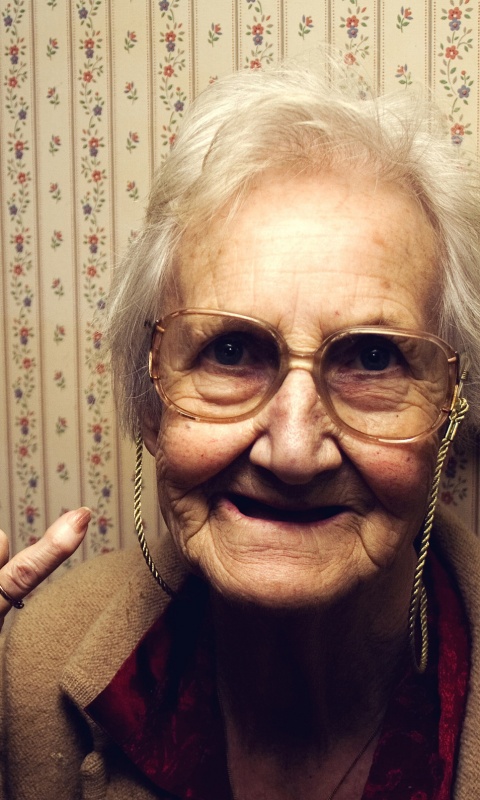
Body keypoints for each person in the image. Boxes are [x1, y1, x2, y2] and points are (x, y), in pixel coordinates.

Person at [0, 53, 480, 800]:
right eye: (230, 351)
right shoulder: (32, 667)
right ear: (151, 399)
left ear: (451, 407)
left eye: (372, 357)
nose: (294, 452)